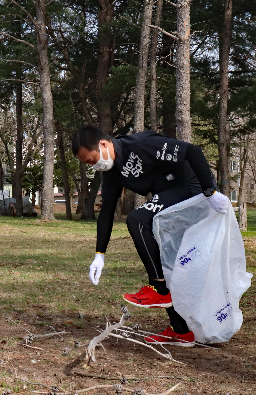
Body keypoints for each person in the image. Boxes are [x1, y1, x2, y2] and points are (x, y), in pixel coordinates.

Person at [71, 126, 231, 346]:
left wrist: (210, 191)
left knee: (137, 219)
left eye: (91, 160)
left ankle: (159, 289)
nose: (93, 166)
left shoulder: (140, 145)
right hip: (168, 199)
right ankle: (181, 331)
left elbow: (192, 151)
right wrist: (99, 254)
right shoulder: (111, 172)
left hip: (189, 188)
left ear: (104, 144)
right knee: (160, 261)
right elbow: (107, 211)